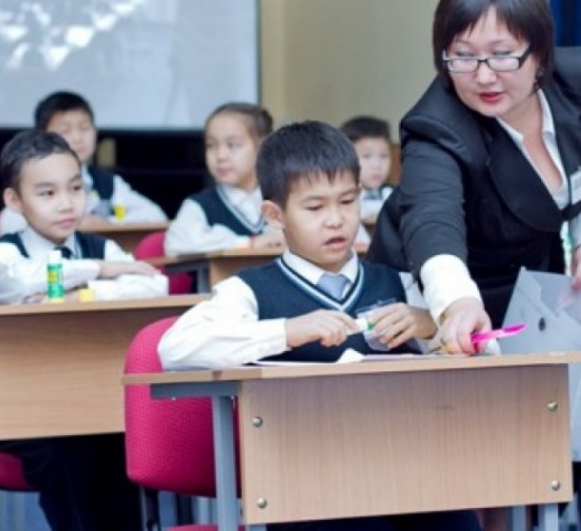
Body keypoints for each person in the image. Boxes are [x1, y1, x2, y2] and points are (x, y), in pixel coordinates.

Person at [159, 121, 480, 531]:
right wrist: (286, 331)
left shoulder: (400, 283)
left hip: (407, 471)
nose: (335, 220)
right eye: (314, 208)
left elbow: (484, 348)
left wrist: (430, 326)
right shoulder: (250, 291)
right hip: (303, 487)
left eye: (347, 201)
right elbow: (176, 348)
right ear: (274, 214)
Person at [366, 0, 581, 356]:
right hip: (426, 297)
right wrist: (457, 301)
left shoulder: (578, 77)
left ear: (539, 52)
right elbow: (432, 220)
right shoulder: (435, 126)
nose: (484, 76)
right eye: (463, 56)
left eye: (502, 55)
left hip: (529, 281)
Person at [0, 129, 166, 530]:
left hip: (97, 403)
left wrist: (83, 292)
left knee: (123, 449)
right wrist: (100, 271)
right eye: (47, 193)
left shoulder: (102, 245)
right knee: (65, 457)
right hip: (25, 411)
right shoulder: (2, 254)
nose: (66, 203)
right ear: (14, 201)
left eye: (76, 188)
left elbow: (153, 284)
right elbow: (19, 280)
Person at [0, 91, 168, 235]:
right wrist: (71, 224)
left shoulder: (105, 182)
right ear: (42, 135)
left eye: (84, 128)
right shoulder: (33, 179)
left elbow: (156, 216)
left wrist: (106, 223)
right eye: (65, 130)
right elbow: (8, 223)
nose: (77, 138)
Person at [164, 102, 284, 255]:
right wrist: (249, 243)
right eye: (211, 145)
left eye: (233, 145)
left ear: (263, 147)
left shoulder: (283, 200)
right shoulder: (199, 205)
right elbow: (176, 244)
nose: (220, 156)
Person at [341, 116, 394, 222]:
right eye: (366, 156)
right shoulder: (341, 199)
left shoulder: (394, 195)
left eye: (383, 156)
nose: (377, 165)